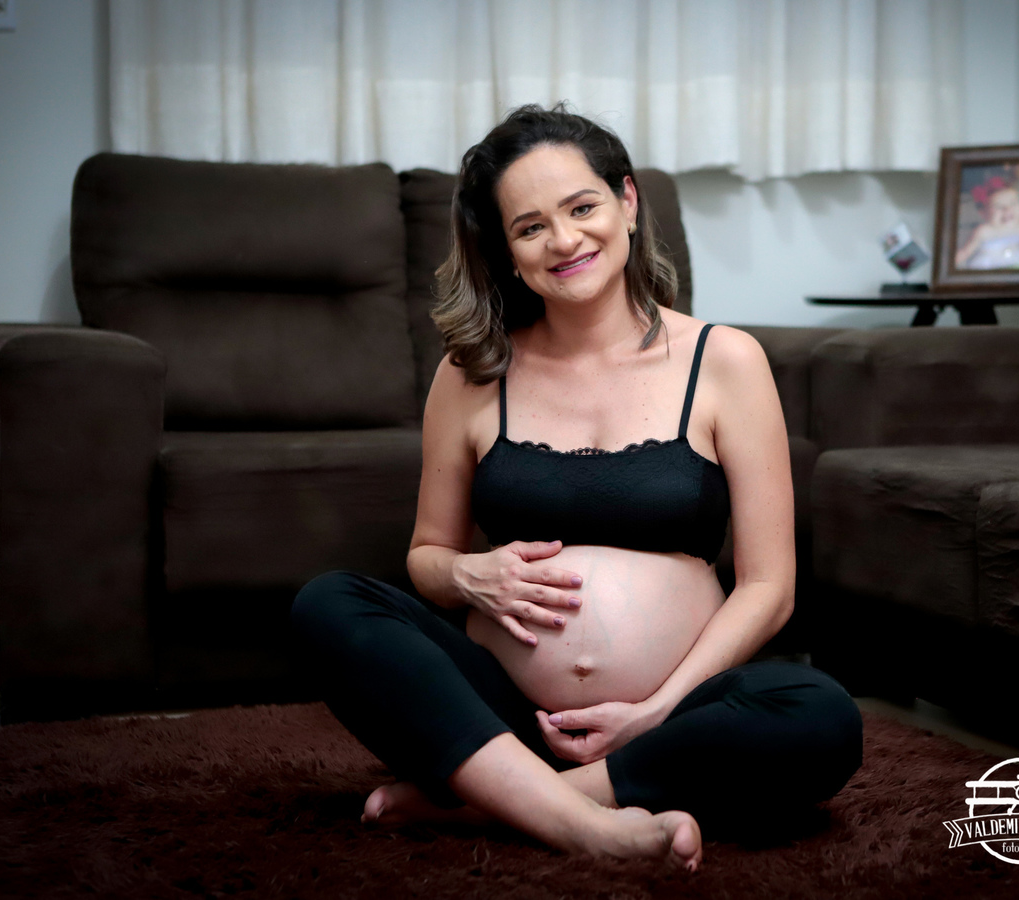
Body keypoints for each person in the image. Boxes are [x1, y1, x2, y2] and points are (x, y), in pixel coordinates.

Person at [291, 104, 862, 872]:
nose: (564, 241)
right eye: (530, 227)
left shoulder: (725, 361)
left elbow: (770, 588)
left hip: (671, 716)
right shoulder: (471, 374)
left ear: (627, 202)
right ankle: (589, 824)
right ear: (506, 250)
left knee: (821, 715)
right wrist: (468, 574)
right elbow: (427, 556)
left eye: (582, 207)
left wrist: (655, 711)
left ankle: (500, 803)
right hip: (504, 718)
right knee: (328, 603)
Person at [954, 174, 1019, 270]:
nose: (1007, 209)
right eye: (999, 206)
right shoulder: (983, 231)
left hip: (1018, 259)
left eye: (1013, 203)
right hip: (990, 263)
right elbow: (966, 251)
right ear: (983, 213)